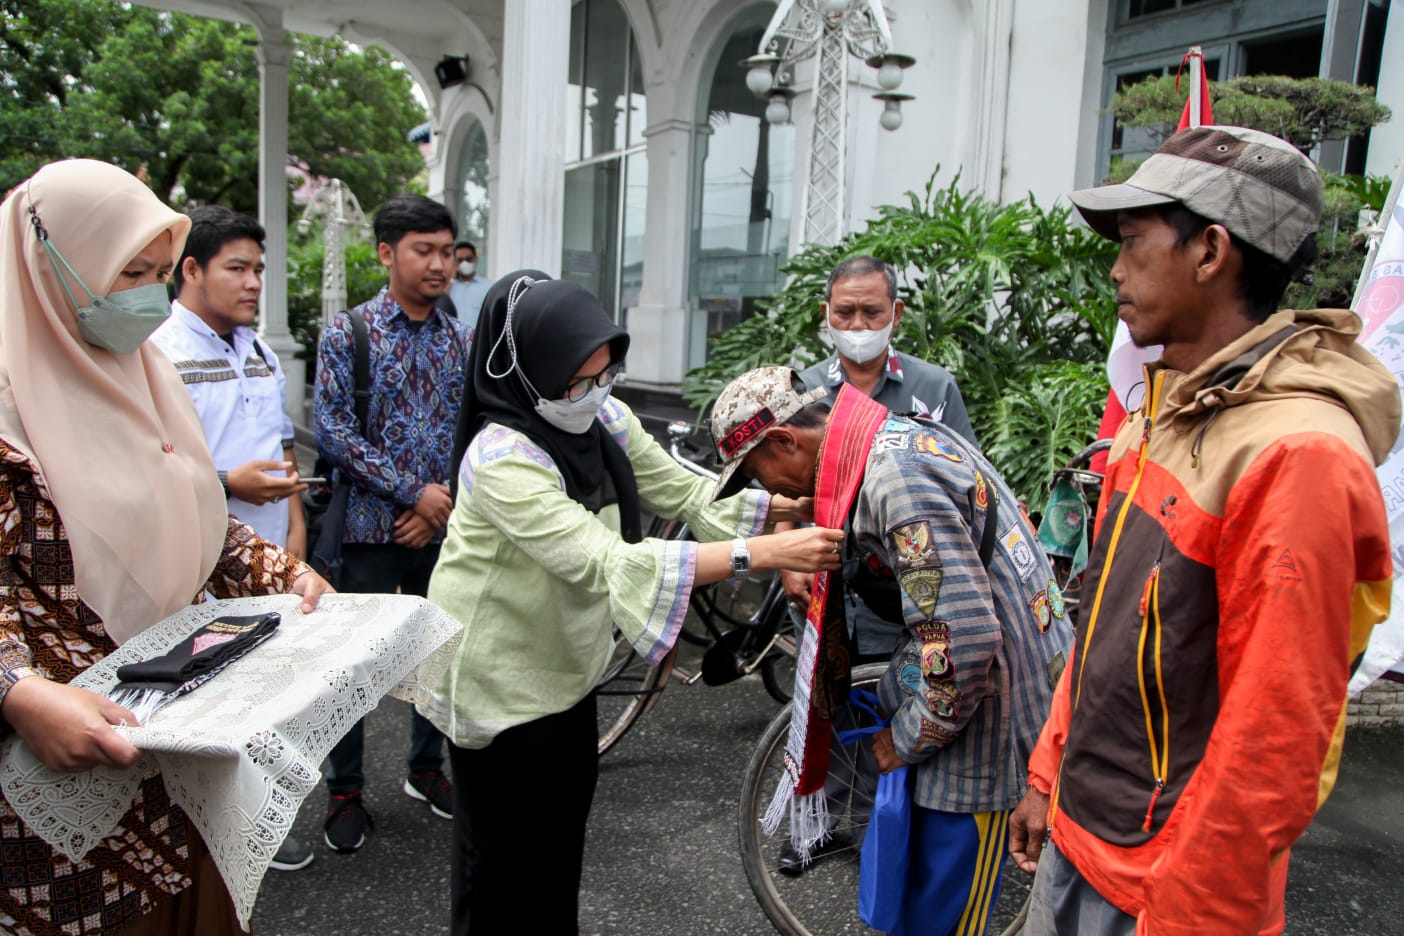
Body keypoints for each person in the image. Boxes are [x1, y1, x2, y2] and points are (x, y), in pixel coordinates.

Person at [1006, 125, 1400, 935]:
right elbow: (1105, 630)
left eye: (1132, 241)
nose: (1115, 269)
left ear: (1211, 250)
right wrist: (1048, 775)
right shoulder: (1165, 410)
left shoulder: (1297, 455)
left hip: (1163, 885)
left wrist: (1192, 916)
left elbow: (1273, 745)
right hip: (1085, 837)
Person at [420, 272, 844, 934]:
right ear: (528, 370)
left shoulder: (603, 418)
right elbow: (608, 560)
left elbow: (685, 492)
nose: (596, 391)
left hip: (564, 667)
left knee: (558, 849)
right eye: (578, 380)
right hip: (495, 680)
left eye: (606, 373)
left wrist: (798, 501)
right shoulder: (501, 459)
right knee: (499, 869)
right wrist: (764, 554)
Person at [0, 159, 332, 935]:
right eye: (128, 272)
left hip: (182, 729)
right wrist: (17, 692)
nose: (150, 295)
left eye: (158, 272)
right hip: (66, 759)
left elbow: (197, 513)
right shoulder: (10, 413)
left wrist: (282, 570)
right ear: (53, 266)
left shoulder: (143, 373)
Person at [710, 365, 1073, 936]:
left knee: (947, 916)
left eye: (759, 474)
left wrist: (906, 739)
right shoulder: (887, 434)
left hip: (989, 716)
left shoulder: (894, 477)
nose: (770, 492)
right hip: (969, 693)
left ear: (785, 440)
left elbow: (967, 642)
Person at [150, 204, 315, 872]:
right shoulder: (158, 351)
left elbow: (279, 443)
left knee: (265, 692)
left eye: (259, 270)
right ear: (191, 269)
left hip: (268, 554)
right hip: (195, 561)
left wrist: (296, 528)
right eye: (237, 268)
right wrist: (227, 482)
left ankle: (256, 820)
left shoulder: (259, 349)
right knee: (202, 699)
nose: (253, 283)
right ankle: (203, 833)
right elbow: (150, 464)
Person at [313, 194, 469, 853]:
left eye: (448, 253)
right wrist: (413, 494)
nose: (440, 266)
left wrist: (446, 501)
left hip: (442, 531)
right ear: (386, 253)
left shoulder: (461, 339)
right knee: (352, 668)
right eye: (424, 251)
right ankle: (345, 791)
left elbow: (473, 432)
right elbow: (334, 433)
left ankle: (425, 770)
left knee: (441, 652)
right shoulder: (348, 334)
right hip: (367, 533)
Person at [783, 256, 979, 673]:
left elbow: (970, 478)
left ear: (896, 312)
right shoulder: (804, 390)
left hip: (908, 586)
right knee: (824, 705)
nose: (858, 325)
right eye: (844, 312)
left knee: (903, 697)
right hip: (824, 580)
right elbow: (787, 482)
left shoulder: (933, 387)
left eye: (872, 312)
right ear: (826, 314)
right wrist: (786, 559)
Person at [448, 239, 490, 327]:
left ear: (476, 259)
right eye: (460, 260)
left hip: (477, 339)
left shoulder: (488, 287)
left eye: (468, 259)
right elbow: (439, 304)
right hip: (452, 338)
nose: (465, 263)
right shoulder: (449, 286)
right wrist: (451, 277)